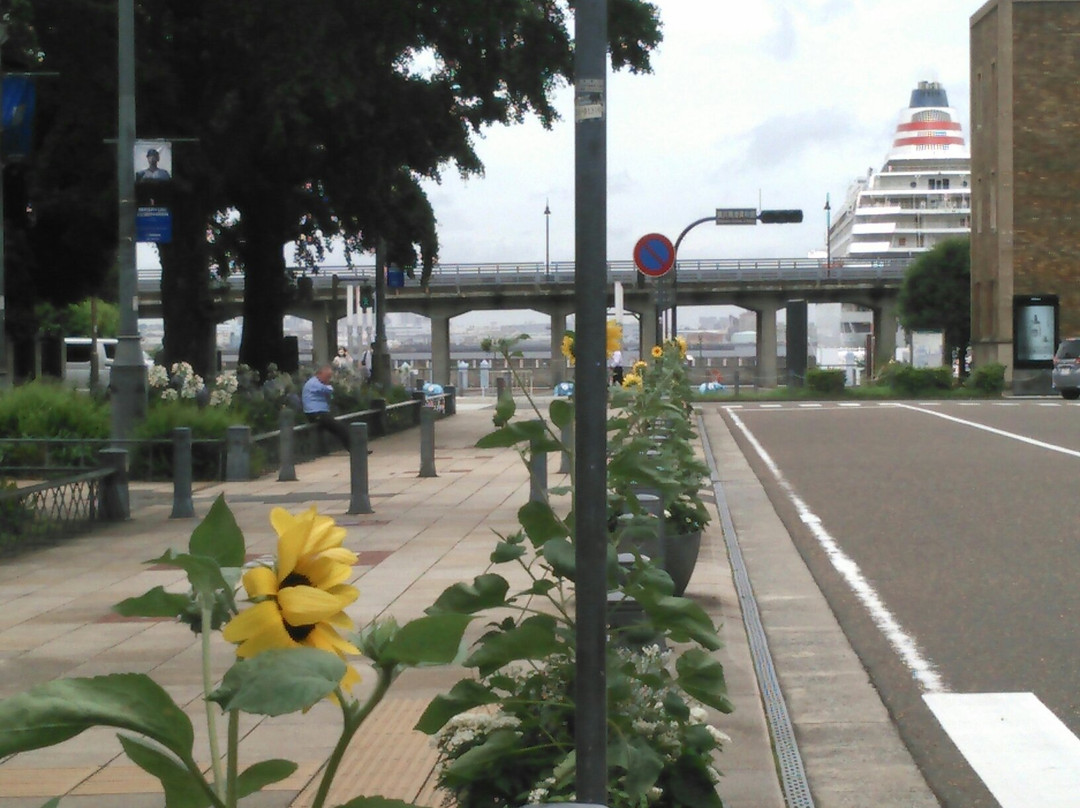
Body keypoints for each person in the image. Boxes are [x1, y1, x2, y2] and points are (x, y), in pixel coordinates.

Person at [301, 365, 352, 451]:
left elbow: (330, 395)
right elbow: (328, 390)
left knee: (339, 428)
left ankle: (353, 448)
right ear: (320, 374)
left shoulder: (319, 382)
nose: (329, 379)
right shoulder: (313, 383)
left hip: (321, 412)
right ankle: (354, 449)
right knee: (340, 428)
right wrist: (328, 386)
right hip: (315, 413)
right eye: (327, 376)